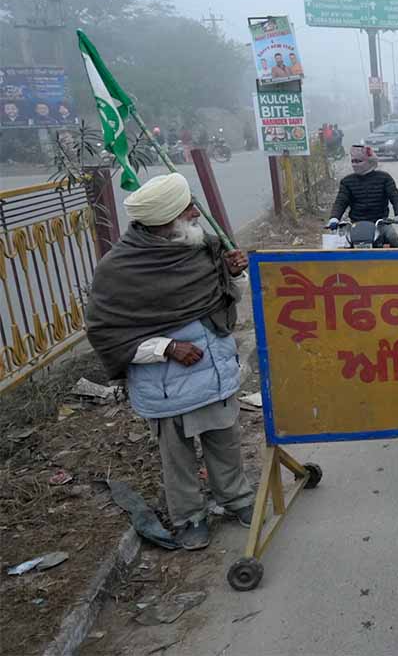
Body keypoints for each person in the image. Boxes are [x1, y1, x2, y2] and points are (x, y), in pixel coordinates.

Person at [85, 174, 256, 551]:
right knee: (176, 457)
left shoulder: (202, 247)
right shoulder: (119, 270)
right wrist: (165, 348)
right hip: (165, 384)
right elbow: (106, 332)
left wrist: (234, 272)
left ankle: (237, 500)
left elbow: (228, 301)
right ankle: (190, 516)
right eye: (187, 209)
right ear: (165, 220)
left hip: (212, 371)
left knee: (224, 442)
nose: (197, 213)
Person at [328, 147, 398, 247]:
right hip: (355, 224)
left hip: (380, 223)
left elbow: (395, 197)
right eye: (353, 161)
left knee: (393, 238)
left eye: (358, 161)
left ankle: (396, 262)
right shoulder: (347, 181)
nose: (355, 164)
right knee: (342, 244)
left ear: (370, 162)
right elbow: (340, 201)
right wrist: (334, 218)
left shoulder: (384, 178)